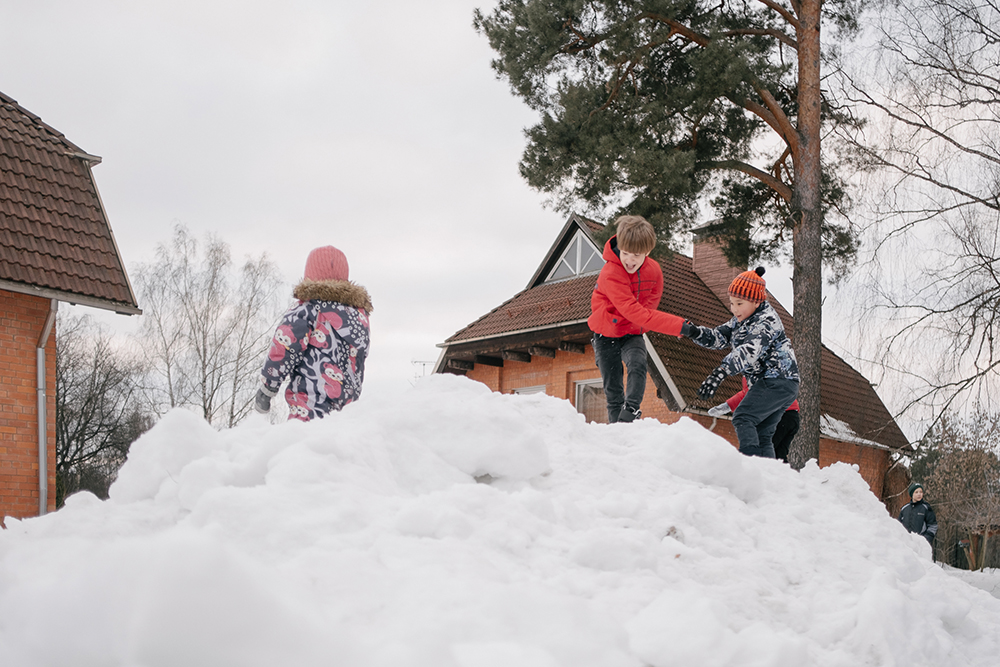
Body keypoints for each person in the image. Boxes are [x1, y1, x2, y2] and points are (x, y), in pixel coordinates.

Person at [681, 267, 799, 457]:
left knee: (744, 417)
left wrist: (721, 372)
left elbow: (749, 352)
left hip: (777, 380)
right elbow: (719, 337)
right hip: (782, 384)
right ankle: (769, 477)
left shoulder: (765, 321)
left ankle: (748, 464)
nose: (734, 309)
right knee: (762, 434)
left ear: (756, 301)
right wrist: (694, 332)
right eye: (732, 303)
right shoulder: (741, 320)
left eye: (739, 303)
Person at [254, 245, 373, 421]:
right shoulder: (360, 319)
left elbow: (284, 348)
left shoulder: (307, 311)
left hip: (308, 411)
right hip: (346, 417)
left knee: (301, 447)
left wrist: (268, 388)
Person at [587, 215, 686, 423]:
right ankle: (617, 430)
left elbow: (648, 307)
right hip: (606, 333)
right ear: (619, 247)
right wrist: (677, 326)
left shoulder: (654, 271)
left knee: (638, 363)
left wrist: (640, 322)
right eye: (625, 254)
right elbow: (632, 309)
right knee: (613, 389)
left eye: (636, 255)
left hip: (632, 332)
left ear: (647, 253)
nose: (630, 261)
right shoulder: (610, 272)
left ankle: (631, 409)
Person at [708, 377, 800, 462]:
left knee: (763, 449)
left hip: (780, 415)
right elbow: (747, 393)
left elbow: (751, 392)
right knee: (779, 456)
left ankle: (760, 473)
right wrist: (727, 406)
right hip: (792, 416)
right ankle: (785, 478)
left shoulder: (758, 369)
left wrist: (727, 406)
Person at [899, 482, 938, 547]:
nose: (919, 494)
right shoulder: (904, 508)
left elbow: (933, 526)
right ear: (912, 494)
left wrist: (925, 539)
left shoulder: (926, 508)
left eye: (921, 492)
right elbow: (899, 525)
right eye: (916, 492)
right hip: (905, 545)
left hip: (920, 545)